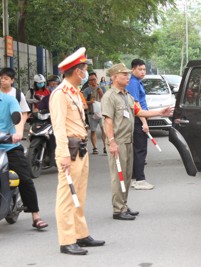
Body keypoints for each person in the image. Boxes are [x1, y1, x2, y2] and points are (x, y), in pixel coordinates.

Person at [49, 47, 105, 255]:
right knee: (67, 195)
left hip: (80, 148)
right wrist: (63, 154)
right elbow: (59, 127)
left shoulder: (75, 92)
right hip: (69, 151)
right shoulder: (60, 94)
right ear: (75, 71)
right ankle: (66, 240)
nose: (85, 73)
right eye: (83, 69)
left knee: (79, 194)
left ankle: (80, 234)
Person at [101, 63, 173, 220]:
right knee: (118, 176)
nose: (128, 77)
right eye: (124, 74)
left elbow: (139, 111)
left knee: (127, 175)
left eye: (128, 74)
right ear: (114, 77)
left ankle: (124, 205)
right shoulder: (109, 97)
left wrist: (160, 112)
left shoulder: (127, 95)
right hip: (117, 141)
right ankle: (118, 209)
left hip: (128, 140)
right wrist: (111, 142)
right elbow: (107, 121)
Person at [0, 67, 48, 230]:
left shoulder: (10, 99)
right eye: (1, 78)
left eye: (5, 78)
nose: (2, 80)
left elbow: (19, 116)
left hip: (9, 145)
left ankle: (36, 215)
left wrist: (18, 133)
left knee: (25, 179)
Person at [126, 59, 154, 190]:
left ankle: (133, 178)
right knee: (140, 150)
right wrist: (144, 122)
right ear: (133, 69)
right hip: (138, 119)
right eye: (140, 69)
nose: (143, 72)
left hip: (139, 118)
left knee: (137, 150)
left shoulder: (137, 82)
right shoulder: (133, 83)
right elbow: (136, 105)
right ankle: (140, 180)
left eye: (144, 69)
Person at [82, 72, 106, 154]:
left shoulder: (102, 87)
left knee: (104, 129)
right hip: (91, 113)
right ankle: (95, 148)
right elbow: (83, 101)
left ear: (97, 79)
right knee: (93, 130)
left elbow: (106, 99)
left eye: (94, 79)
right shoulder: (86, 90)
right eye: (90, 80)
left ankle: (105, 146)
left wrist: (101, 92)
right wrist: (90, 102)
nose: (92, 81)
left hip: (102, 112)